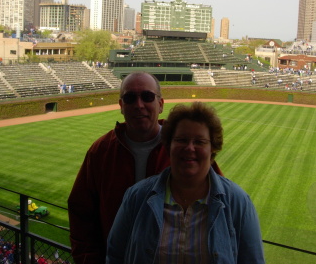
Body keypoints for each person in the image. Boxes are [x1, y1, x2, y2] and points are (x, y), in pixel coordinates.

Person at [68, 72, 222, 264]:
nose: (139, 104)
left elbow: (221, 203)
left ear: (161, 104)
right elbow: (81, 213)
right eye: (130, 98)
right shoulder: (100, 151)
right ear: (121, 106)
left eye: (147, 97)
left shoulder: (185, 151)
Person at [107, 102, 265, 263]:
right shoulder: (136, 196)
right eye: (182, 140)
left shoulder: (238, 202)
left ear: (213, 149)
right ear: (169, 146)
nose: (190, 148)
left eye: (199, 141)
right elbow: (115, 255)